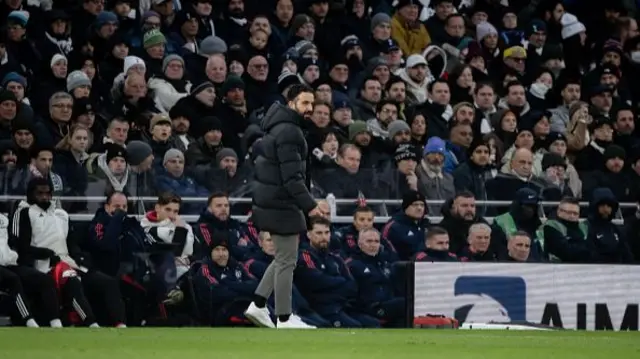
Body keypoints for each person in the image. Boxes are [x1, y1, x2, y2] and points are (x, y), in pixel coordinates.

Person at [244, 83, 322, 329]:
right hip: (281, 201)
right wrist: (310, 205)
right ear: (291, 103)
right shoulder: (290, 131)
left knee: (282, 258)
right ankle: (284, 318)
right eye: (305, 103)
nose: (310, 108)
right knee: (287, 260)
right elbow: (292, 177)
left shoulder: (280, 127)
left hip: (273, 200)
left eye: (312, 103)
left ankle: (257, 305)